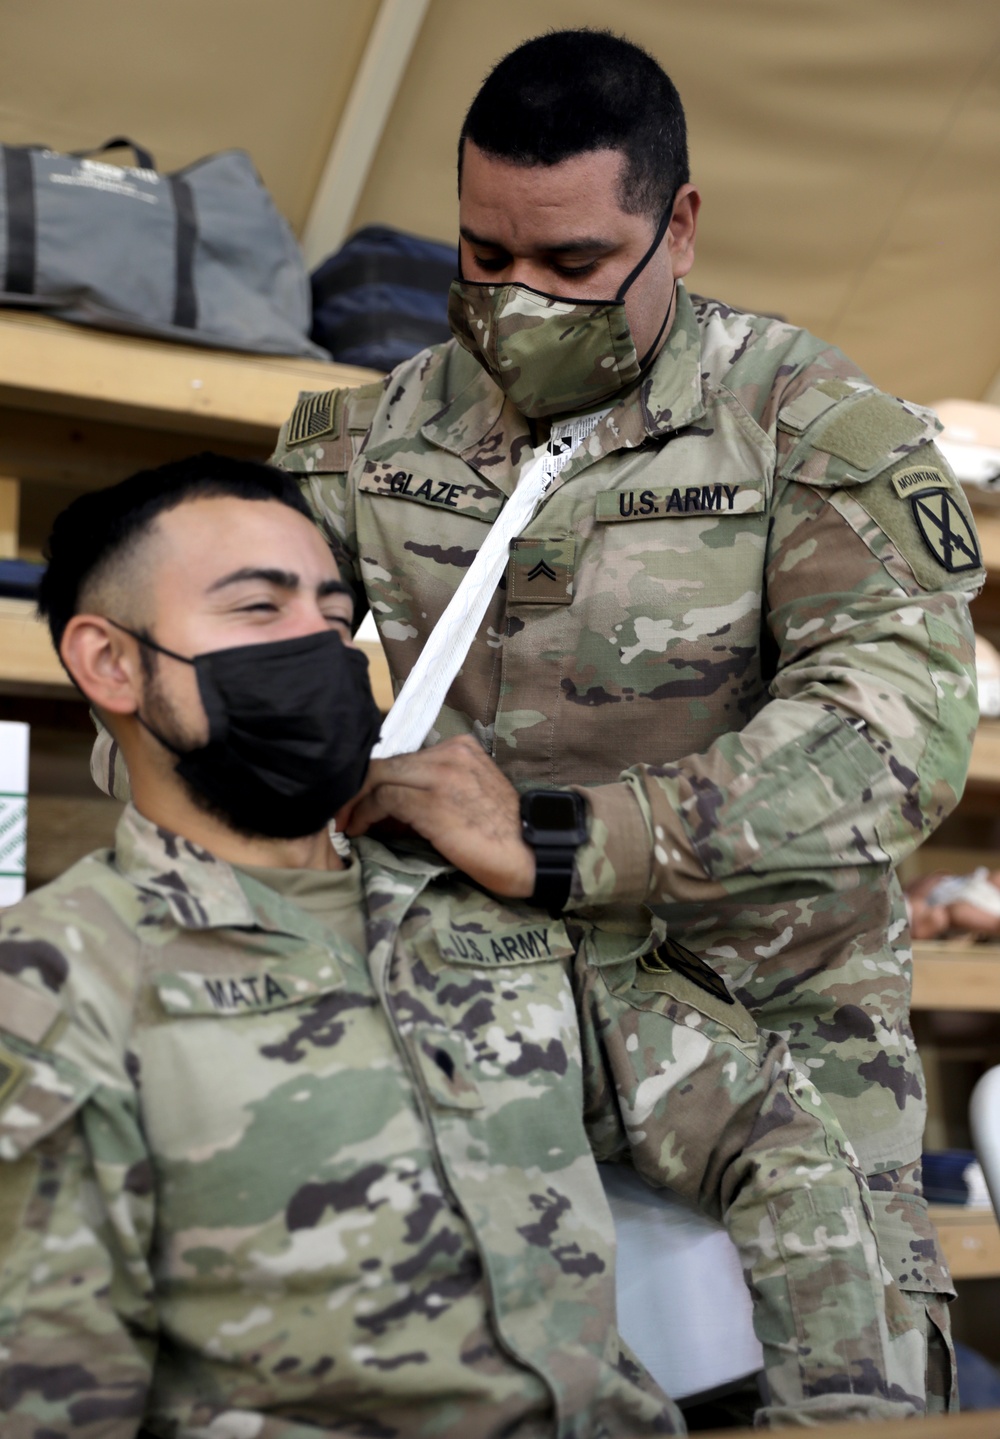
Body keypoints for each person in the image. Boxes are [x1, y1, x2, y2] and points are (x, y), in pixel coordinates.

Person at [268, 28, 985, 1412]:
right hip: (474, 991)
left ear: (682, 226)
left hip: (770, 997)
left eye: (577, 266)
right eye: (485, 255)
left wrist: (565, 834)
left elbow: (892, 729)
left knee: (861, 1381)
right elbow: (215, 660)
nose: (520, 299)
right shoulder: (368, 441)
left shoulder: (811, 425)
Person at [0, 454, 918, 1437]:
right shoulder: (54, 976)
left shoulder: (480, 914)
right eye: (259, 610)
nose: (318, 644)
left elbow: (770, 1132)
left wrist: (844, 1410)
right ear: (110, 661)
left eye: (330, 611)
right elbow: (55, 1388)